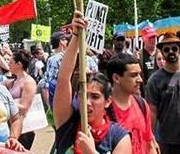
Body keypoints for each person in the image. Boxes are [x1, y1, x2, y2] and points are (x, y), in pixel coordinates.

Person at [53, 11, 131, 154]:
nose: (87, 102)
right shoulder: (67, 123)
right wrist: (76, 36)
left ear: (108, 101)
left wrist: (90, 151)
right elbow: (63, 79)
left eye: (95, 97)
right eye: (83, 95)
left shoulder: (119, 137)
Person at [146, 32, 180, 154]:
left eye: (174, 48)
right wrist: (150, 138)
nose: (171, 52)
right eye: (167, 49)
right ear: (162, 53)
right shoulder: (154, 80)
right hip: (165, 140)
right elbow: (152, 111)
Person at [106, 52, 156, 154]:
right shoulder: (104, 110)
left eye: (139, 74)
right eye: (134, 75)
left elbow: (149, 144)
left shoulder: (141, 103)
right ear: (116, 78)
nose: (140, 80)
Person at [3, 49, 38, 150]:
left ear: (19, 64)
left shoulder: (28, 82)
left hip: (24, 129)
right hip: (13, 127)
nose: (8, 64)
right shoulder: (13, 80)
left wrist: (7, 102)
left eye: (10, 62)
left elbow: (24, 108)